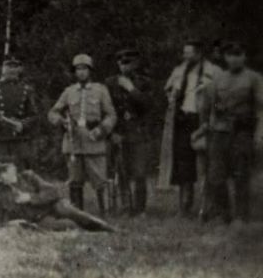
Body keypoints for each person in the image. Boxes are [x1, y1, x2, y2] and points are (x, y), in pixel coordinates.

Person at [0, 156, 116, 232]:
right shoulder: (0, 194)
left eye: (13, 169)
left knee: (71, 211)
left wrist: (31, 198)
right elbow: (1, 216)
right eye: (8, 172)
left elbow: (54, 191)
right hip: (39, 219)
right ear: (1, 177)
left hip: (53, 205)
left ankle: (107, 228)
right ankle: (89, 230)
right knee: (69, 226)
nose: (13, 173)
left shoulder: (28, 177)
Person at [198, 41, 263, 225]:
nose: (234, 59)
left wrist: (259, 133)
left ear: (244, 56)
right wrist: (204, 126)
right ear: (225, 57)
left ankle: (241, 216)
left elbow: (261, 108)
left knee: (241, 174)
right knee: (216, 175)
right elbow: (206, 105)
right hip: (219, 132)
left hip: (242, 132)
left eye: (238, 54)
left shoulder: (253, 78)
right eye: (230, 55)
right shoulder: (218, 79)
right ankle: (222, 213)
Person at [48, 54, 117, 215]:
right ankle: (77, 214)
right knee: (75, 181)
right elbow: (52, 112)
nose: (81, 72)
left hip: (94, 140)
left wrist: (102, 130)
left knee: (100, 180)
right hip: (74, 143)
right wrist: (62, 121)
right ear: (74, 72)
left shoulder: (100, 90)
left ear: (90, 71)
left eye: (84, 69)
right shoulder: (69, 92)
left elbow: (111, 115)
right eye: (78, 69)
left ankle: (105, 213)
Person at [161, 39, 221, 216]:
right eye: (184, 53)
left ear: (199, 53)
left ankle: (207, 208)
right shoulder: (179, 70)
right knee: (183, 167)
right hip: (182, 120)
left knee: (205, 165)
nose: (186, 56)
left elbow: (220, 98)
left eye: (190, 53)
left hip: (202, 121)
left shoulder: (213, 71)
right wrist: (172, 97)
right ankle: (184, 206)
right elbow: (167, 89)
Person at [104, 49, 153, 216]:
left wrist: (131, 89)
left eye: (128, 62)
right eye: (121, 62)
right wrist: (111, 133)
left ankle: (140, 209)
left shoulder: (144, 82)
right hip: (119, 133)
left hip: (138, 133)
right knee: (122, 172)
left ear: (135, 63)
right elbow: (105, 110)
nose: (124, 66)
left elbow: (148, 106)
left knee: (140, 173)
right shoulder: (110, 83)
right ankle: (126, 208)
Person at [0, 55, 40, 170]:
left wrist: (22, 124)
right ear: (2, 69)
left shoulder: (26, 89)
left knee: (22, 175)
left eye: (15, 66)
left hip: (19, 140)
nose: (11, 69)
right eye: (8, 66)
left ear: (19, 69)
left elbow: (34, 116)